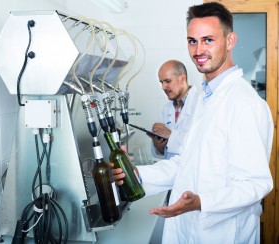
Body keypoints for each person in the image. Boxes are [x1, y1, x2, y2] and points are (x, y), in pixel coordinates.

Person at [112, 2, 274, 243]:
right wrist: (137, 174)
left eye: (208, 40)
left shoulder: (244, 103)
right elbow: (187, 163)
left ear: (230, 41)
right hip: (190, 228)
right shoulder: (204, 99)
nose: (199, 49)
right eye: (192, 41)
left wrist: (202, 202)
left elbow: (255, 184)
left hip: (224, 234)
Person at [150, 60, 199, 160]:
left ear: (182, 78)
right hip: (171, 171)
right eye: (161, 82)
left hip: (191, 171)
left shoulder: (200, 103)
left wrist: (169, 134)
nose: (163, 87)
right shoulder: (167, 108)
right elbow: (165, 150)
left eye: (168, 81)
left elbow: (200, 144)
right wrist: (159, 146)